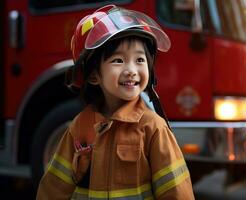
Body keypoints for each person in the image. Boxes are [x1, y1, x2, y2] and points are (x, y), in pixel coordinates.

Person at [36, 4, 195, 200]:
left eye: (140, 60)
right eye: (118, 60)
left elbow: (176, 193)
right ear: (94, 75)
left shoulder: (153, 129)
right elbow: (53, 188)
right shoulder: (80, 127)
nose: (131, 69)